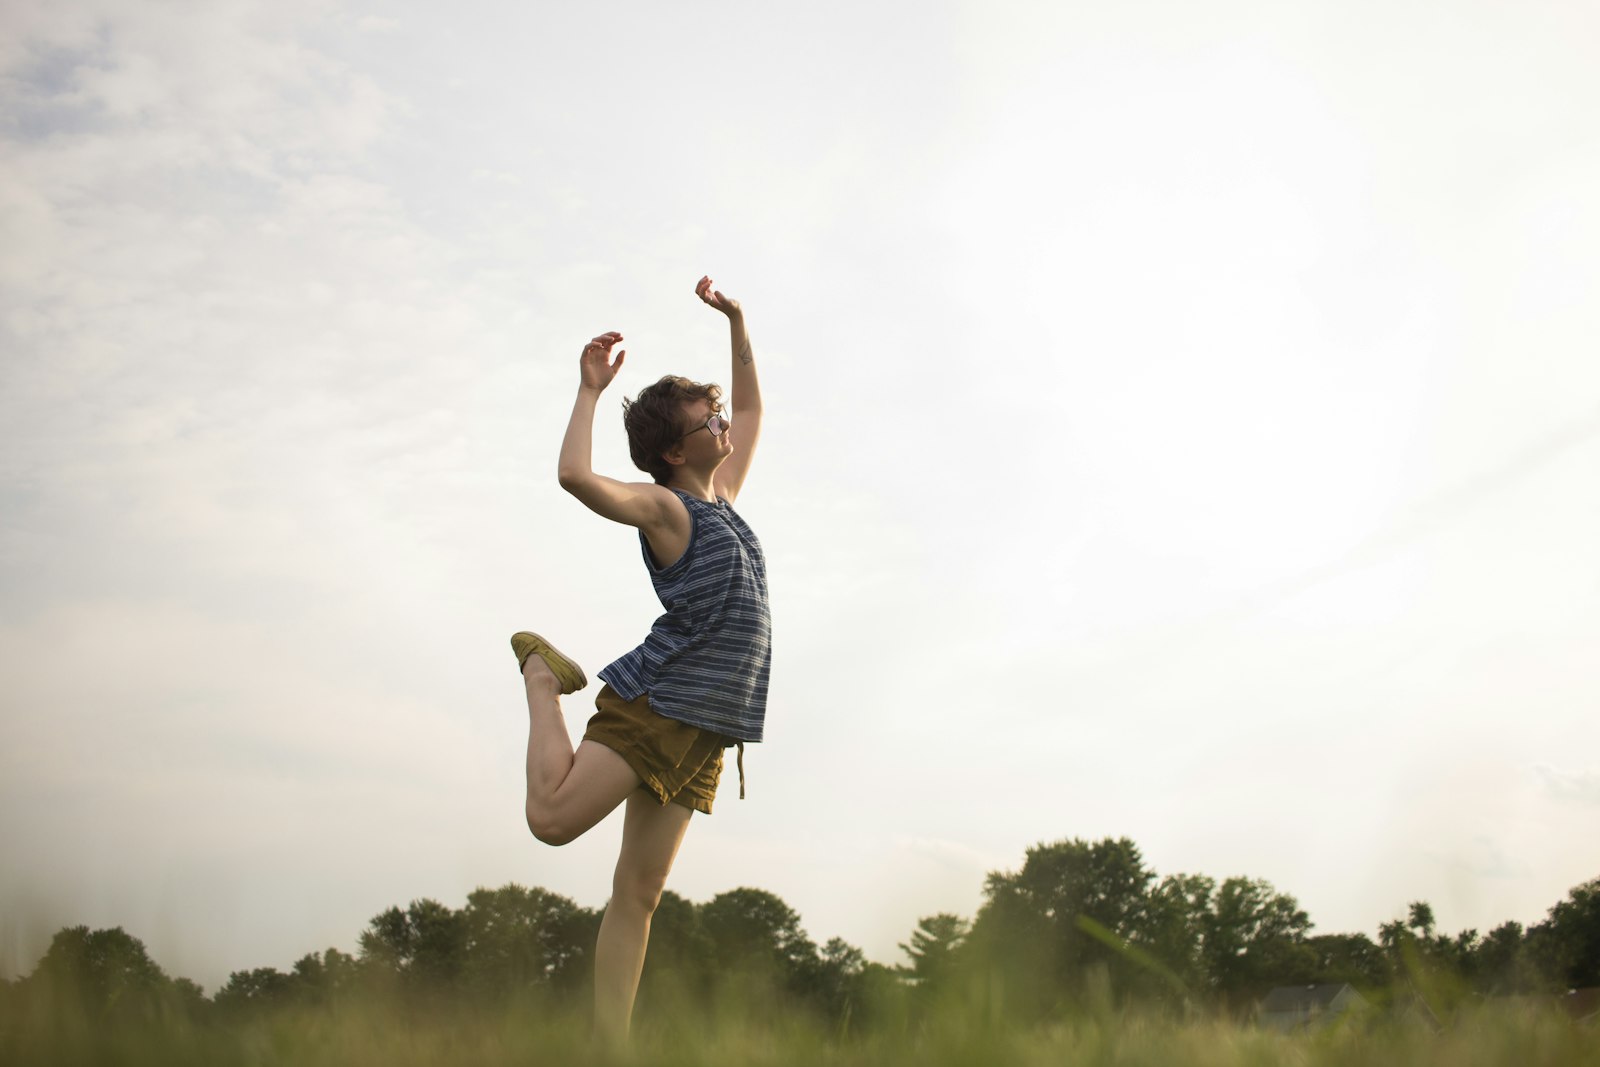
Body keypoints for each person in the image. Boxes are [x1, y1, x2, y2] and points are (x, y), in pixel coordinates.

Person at [512, 274, 769, 1041]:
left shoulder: (722, 493)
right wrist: (590, 391)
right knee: (552, 818)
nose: (722, 421)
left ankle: (607, 1045)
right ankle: (539, 676)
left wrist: (739, 319)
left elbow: (753, 408)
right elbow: (575, 478)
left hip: (706, 726)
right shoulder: (668, 508)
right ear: (670, 447)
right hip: (662, 701)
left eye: (716, 412)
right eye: (705, 417)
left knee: (639, 892)